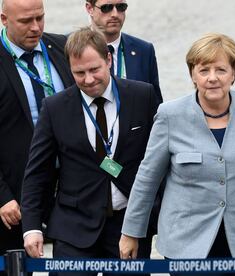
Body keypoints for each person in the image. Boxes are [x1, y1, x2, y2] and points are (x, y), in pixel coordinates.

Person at [119, 33, 235, 276]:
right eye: (204, 70)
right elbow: (147, 179)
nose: (212, 78)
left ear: (234, 73)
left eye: (221, 70)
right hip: (185, 244)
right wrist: (130, 232)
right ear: (193, 74)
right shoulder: (170, 115)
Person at [21, 28, 158, 276]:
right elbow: (37, 172)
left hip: (129, 226)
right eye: (79, 73)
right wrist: (31, 227)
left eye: (94, 69)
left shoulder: (142, 95)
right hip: (73, 228)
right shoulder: (54, 108)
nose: (88, 79)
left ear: (108, 60)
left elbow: (160, 159)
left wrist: (155, 211)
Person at [0, 0, 74, 263]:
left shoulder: (63, 48)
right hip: (14, 198)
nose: (36, 28)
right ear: (4, 19)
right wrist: (2, 197)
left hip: (68, 191)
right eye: (25, 21)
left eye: (40, 18)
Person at [85, 0, 163, 105]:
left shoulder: (144, 50)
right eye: (106, 8)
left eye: (121, 7)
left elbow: (155, 104)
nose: (115, 14)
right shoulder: (68, 47)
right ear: (90, 9)